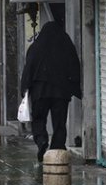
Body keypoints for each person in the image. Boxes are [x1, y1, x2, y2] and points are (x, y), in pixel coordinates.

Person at [19, 17, 82, 162]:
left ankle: (41, 141)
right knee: (59, 122)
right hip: (61, 92)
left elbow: (28, 69)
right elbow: (74, 66)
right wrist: (75, 87)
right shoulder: (66, 45)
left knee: (39, 119)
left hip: (39, 92)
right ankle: (57, 148)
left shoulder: (36, 47)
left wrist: (25, 89)